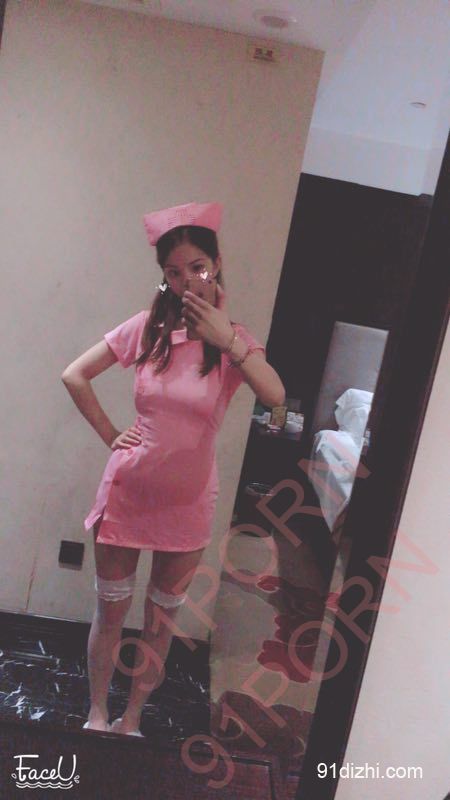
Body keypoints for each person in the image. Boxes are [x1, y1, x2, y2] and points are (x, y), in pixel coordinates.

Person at [61, 201, 285, 737]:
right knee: (111, 614)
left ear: (217, 265)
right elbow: (74, 375)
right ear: (165, 277)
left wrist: (226, 339)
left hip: (187, 506)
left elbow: (275, 395)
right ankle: (98, 713)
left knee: (159, 625)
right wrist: (112, 435)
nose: (188, 281)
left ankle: (132, 719)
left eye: (198, 268)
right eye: (175, 272)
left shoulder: (234, 343)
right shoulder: (148, 329)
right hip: (128, 495)